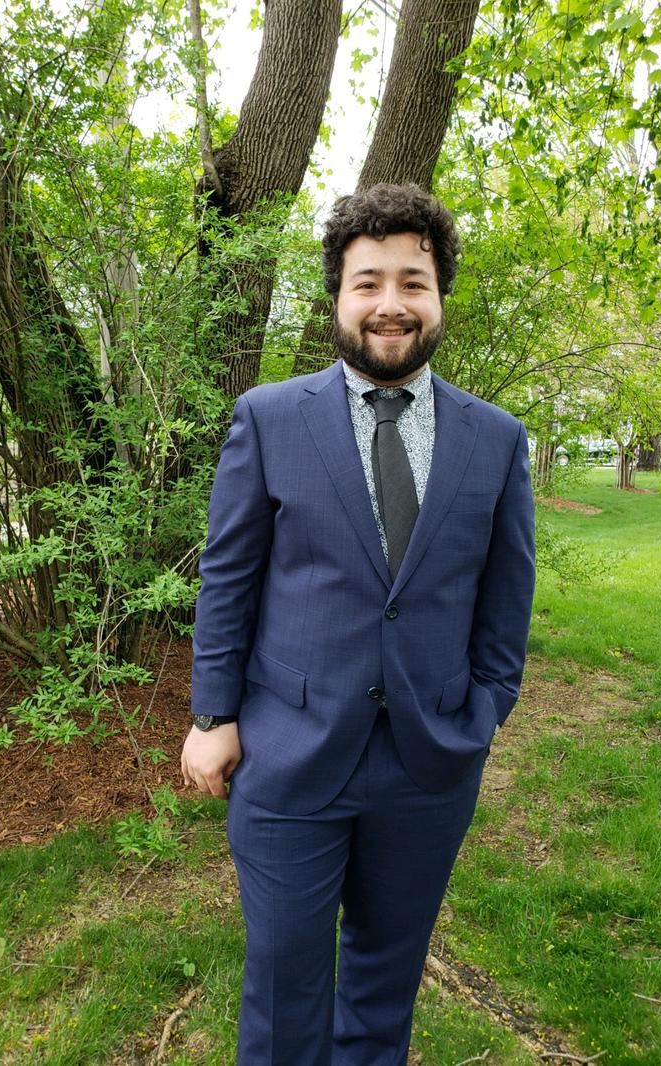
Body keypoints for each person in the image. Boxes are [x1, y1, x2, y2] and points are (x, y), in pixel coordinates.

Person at [181, 183, 535, 1066]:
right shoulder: (269, 419)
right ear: (337, 297)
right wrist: (214, 715)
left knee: (386, 981)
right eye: (367, 282)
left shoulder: (496, 439)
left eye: (413, 282)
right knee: (284, 986)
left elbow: (506, 593)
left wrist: (486, 707)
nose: (390, 304)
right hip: (288, 753)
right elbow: (229, 576)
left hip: (429, 761)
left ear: (440, 296)